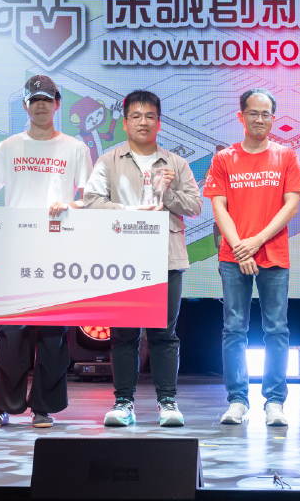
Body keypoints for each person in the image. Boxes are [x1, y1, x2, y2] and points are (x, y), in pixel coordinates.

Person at [0, 75, 92, 430]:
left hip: (58, 250)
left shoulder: (75, 148)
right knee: (11, 332)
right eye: (34, 100)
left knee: (53, 334)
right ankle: (2, 406)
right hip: (15, 249)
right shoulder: (9, 146)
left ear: (57, 104)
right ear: (25, 105)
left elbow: (88, 197)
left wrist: (70, 205)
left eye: (47, 99)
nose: (41, 105)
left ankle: (43, 407)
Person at [83, 90, 202, 427]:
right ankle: (123, 402)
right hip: (124, 260)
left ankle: (167, 402)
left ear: (159, 122)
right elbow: (91, 202)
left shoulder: (176, 163)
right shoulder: (109, 161)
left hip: (166, 258)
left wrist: (169, 193)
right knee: (124, 335)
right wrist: (130, 212)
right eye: (136, 116)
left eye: (150, 116)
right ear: (125, 123)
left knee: (164, 334)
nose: (143, 122)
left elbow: (195, 206)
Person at [204, 89, 300, 426]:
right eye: (253, 113)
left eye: (265, 114)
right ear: (241, 116)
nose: (259, 119)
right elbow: (219, 207)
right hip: (233, 256)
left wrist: (256, 242)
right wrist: (239, 248)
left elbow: (291, 205)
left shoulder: (286, 156)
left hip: (273, 254)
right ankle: (237, 400)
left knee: (276, 329)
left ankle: (274, 402)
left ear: (273, 119)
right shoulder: (224, 159)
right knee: (234, 328)